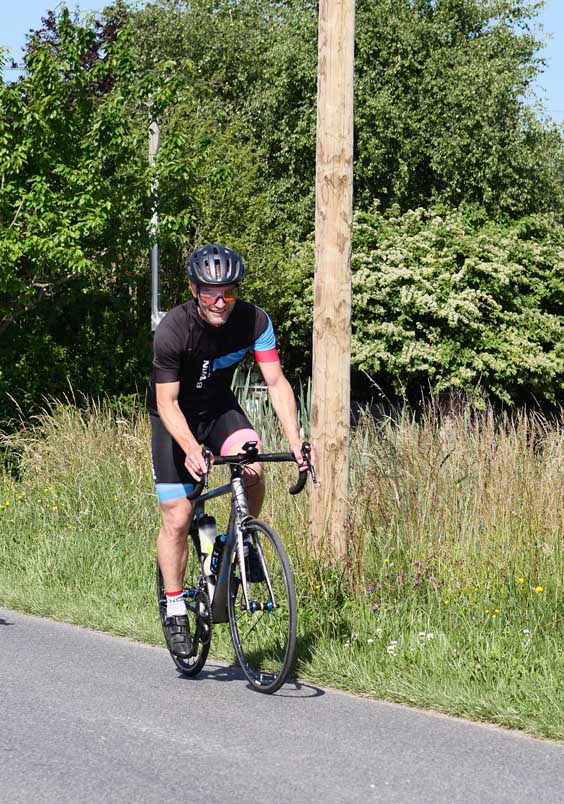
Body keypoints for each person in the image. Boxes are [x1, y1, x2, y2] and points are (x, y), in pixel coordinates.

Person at [147, 242, 314, 658]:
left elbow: (276, 382)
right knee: (179, 514)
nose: (220, 302)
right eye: (210, 293)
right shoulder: (173, 329)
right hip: (174, 417)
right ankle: (174, 606)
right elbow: (167, 402)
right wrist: (190, 448)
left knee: (252, 463)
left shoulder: (255, 321)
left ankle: (240, 540)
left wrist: (296, 441)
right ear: (194, 290)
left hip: (218, 409)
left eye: (228, 292)